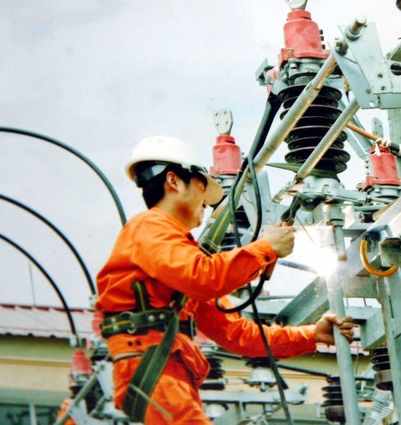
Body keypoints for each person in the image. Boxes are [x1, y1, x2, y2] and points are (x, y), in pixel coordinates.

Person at [95, 136, 354, 424]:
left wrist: (311, 335)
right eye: (202, 188)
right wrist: (265, 248)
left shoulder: (177, 261)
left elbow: (238, 334)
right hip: (152, 369)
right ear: (174, 181)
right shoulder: (149, 227)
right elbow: (204, 277)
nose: (206, 204)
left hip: (162, 371)